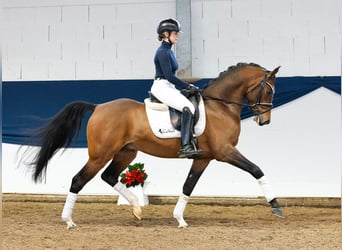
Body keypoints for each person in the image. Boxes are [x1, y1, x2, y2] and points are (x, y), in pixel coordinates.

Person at [151, 18, 200, 158]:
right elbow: (169, 76)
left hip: (168, 86)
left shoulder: (169, 51)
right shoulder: (162, 52)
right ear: (166, 34)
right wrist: (188, 86)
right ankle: (185, 146)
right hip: (162, 86)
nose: (177, 36)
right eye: (175, 33)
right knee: (188, 107)